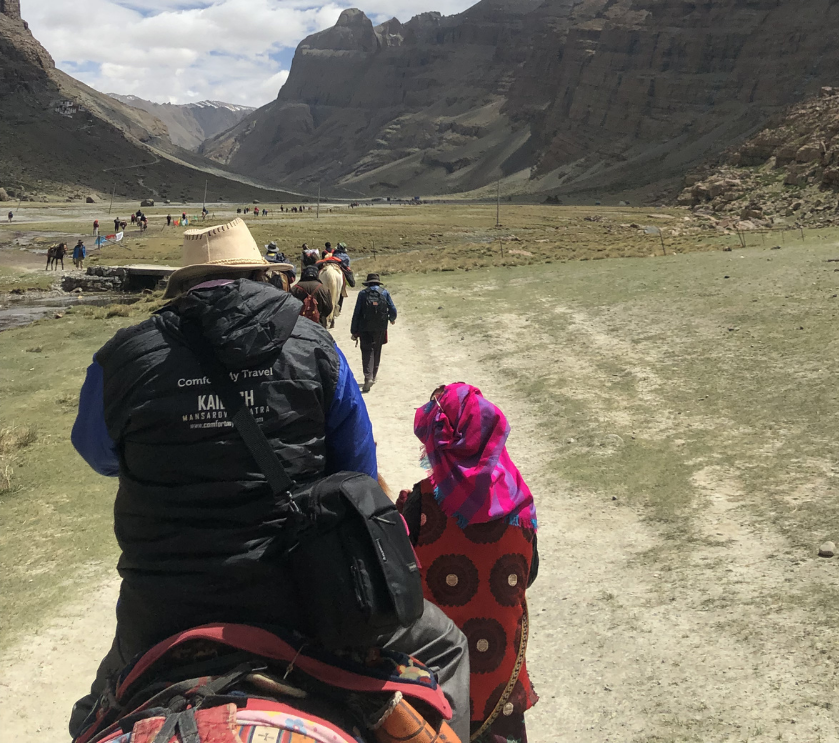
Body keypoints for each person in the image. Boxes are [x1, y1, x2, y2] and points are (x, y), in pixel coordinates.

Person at [68, 218, 469, 740]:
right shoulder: (314, 345)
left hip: (159, 604)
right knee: (447, 645)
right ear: (260, 275)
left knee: (88, 716)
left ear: (184, 283)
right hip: (300, 596)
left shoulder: (124, 356)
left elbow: (98, 456)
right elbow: (358, 474)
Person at [399, 383, 539, 743]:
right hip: (501, 678)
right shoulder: (520, 504)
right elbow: (529, 575)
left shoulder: (421, 503)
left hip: (440, 677)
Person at [350, 273, 397, 392]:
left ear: (368, 283)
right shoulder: (384, 292)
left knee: (367, 351)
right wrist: (391, 319)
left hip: (364, 327)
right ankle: (373, 376)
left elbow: (357, 313)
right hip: (380, 327)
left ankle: (368, 377)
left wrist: (354, 330)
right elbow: (393, 309)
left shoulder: (362, 294)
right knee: (377, 350)